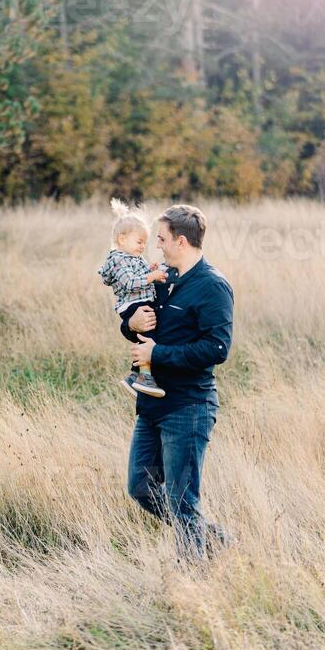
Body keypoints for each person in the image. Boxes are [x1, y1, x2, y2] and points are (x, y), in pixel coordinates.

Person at [120, 204, 234, 560]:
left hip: (188, 406)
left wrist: (159, 355)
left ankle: (193, 581)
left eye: (162, 239)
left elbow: (217, 348)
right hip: (151, 404)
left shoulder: (213, 287)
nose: (157, 245)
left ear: (181, 241)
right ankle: (218, 540)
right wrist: (131, 325)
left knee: (182, 500)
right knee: (140, 487)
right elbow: (141, 325)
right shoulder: (163, 280)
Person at [98, 199, 168, 397]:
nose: (142, 247)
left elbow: (141, 274)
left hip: (140, 301)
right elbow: (130, 283)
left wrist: (150, 270)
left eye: (144, 243)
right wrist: (151, 277)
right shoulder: (118, 259)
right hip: (132, 305)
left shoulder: (134, 257)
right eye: (139, 242)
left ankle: (139, 376)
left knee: (149, 336)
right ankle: (140, 376)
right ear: (122, 240)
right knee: (147, 337)